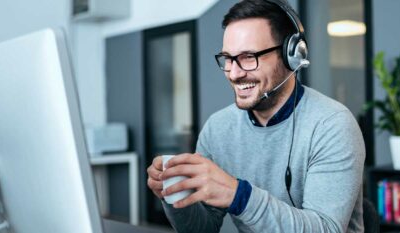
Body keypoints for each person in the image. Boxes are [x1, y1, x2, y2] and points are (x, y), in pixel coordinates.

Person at [146, 0, 365, 232]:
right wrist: (175, 194)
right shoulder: (217, 129)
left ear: (291, 55)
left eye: (249, 57)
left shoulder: (332, 125)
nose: (235, 73)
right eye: (228, 58)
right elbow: (203, 228)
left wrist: (239, 195)